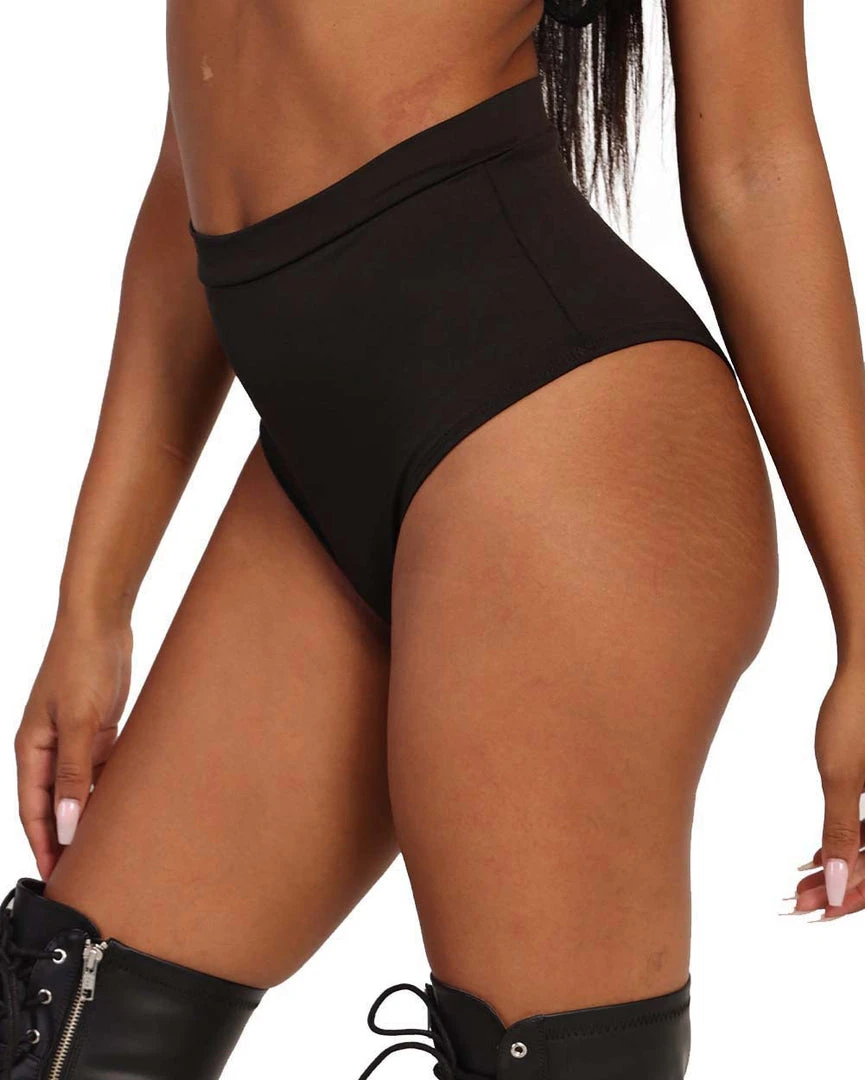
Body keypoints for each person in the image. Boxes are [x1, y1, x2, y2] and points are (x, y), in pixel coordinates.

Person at [2, 0, 863, 1077]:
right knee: (73, 1035)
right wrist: (92, 603)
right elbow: (208, 139)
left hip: (558, 441)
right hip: (328, 452)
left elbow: (754, 165)